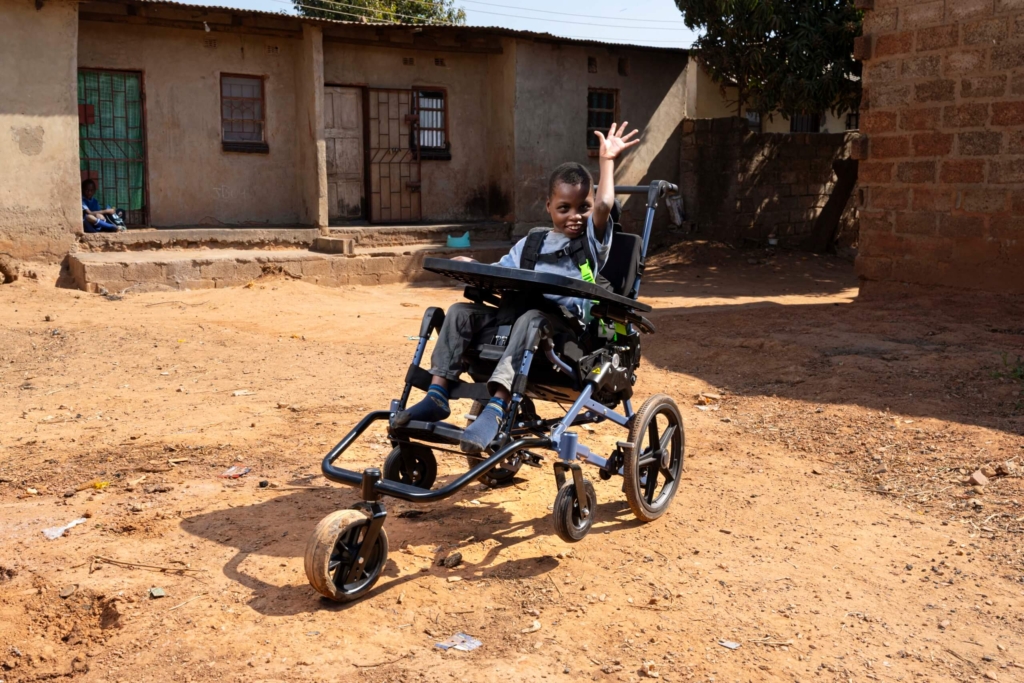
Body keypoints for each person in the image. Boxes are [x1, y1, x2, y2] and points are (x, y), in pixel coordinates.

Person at [394, 121, 640, 453]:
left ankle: (497, 406)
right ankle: (438, 393)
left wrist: (607, 161)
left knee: (533, 319)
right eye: (564, 207)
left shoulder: (591, 243)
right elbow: (502, 272)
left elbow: (605, 206)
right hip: (513, 324)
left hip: (562, 337)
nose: (575, 216)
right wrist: (475, 268)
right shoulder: (532, 242)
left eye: (583, 207)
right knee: (459, 313)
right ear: (548, 207)